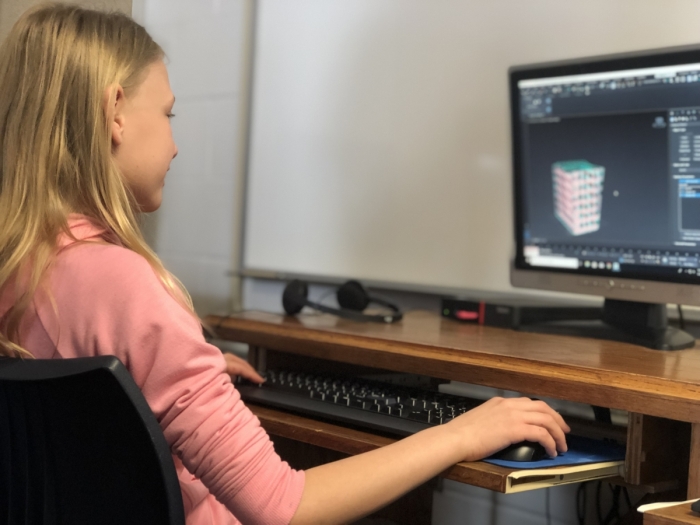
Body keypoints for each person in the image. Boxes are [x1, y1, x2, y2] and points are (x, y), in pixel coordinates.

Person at [0, 4, 569, 524]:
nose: (175, 145)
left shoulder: (19, 272)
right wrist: (461, 432)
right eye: (169, 114)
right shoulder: (123, 287)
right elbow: (283, 509)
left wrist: (173, 369)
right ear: (116, 111)